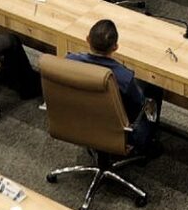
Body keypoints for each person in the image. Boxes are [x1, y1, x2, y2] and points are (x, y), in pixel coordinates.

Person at [68, 19, 164, 154]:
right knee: (154, 90)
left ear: (87, 39)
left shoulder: (70, 62)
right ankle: (145, 146)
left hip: (80, 120)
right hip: (116, 130)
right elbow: (139, 105)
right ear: (115, 47)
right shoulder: (123, 77)